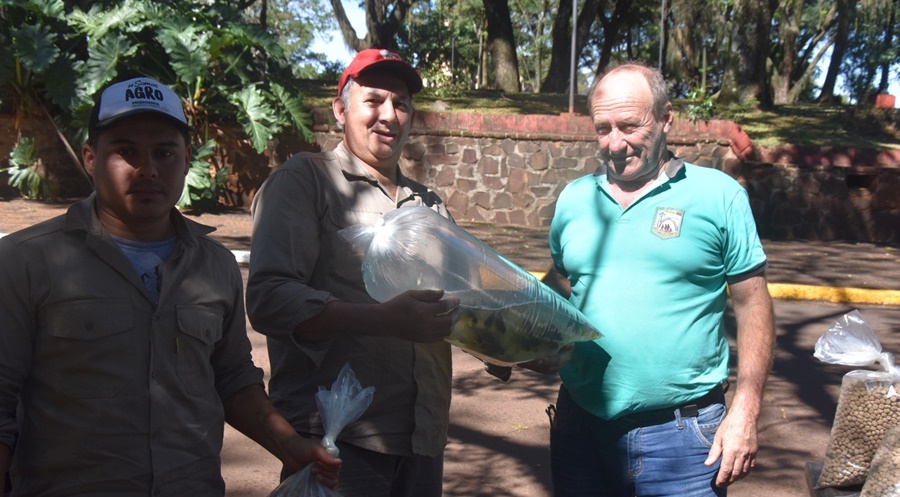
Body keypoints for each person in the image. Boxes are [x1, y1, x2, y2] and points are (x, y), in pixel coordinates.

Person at [0, 76, 340, 496]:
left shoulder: (215, 265)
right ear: (90, 157)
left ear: (185, 160)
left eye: (164, 152)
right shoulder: (25, 261)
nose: (148, 169)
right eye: (126, 151)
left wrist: (290, 446)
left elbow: (231, 376)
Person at [544, 62, 776, 496]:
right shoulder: (574, 199)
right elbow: (561, 286)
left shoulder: (719, 196)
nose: (615, 144)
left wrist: (747, 407)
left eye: (630, 126)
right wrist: (519, 336)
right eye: (603, 128)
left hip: (684, 441)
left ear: (667, 117)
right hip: (581, 428)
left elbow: (752, 303)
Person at [246, 49, 461, 497]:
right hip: (338, 443)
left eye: (401, 103)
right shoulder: (305, 181)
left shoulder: (428, 204)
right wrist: (382, 320)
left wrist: (516, 342)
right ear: (341, 109)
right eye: (374, 100)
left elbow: (464, 299)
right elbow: (269, 298)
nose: (390, 115)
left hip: (422, 440)